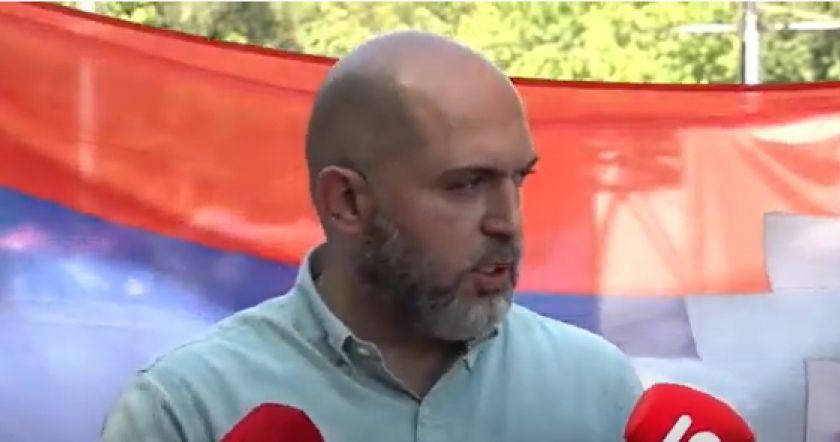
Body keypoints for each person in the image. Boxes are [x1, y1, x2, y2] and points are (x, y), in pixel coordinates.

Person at [101, 31, 643, 442]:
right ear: (348, 203)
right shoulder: (188, 410)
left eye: (517, 179)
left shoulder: (598, 390)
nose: (507, 221)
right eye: (467, 184)